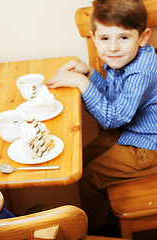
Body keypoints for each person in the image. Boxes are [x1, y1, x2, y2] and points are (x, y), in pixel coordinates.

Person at [46, 0, 157, 231]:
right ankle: (101, 214)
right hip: (128, 131)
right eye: (105, 38)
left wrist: (82, 82)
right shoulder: (124, 58)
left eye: (124, 37)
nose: (113, 47)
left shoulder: (142, 69)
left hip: (148, 145)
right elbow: (113, 98)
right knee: (81, 158)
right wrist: (90, 74)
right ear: (94, 37)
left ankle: (95, 231)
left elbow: (113, 117)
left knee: (89, 178)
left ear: (143, 37)